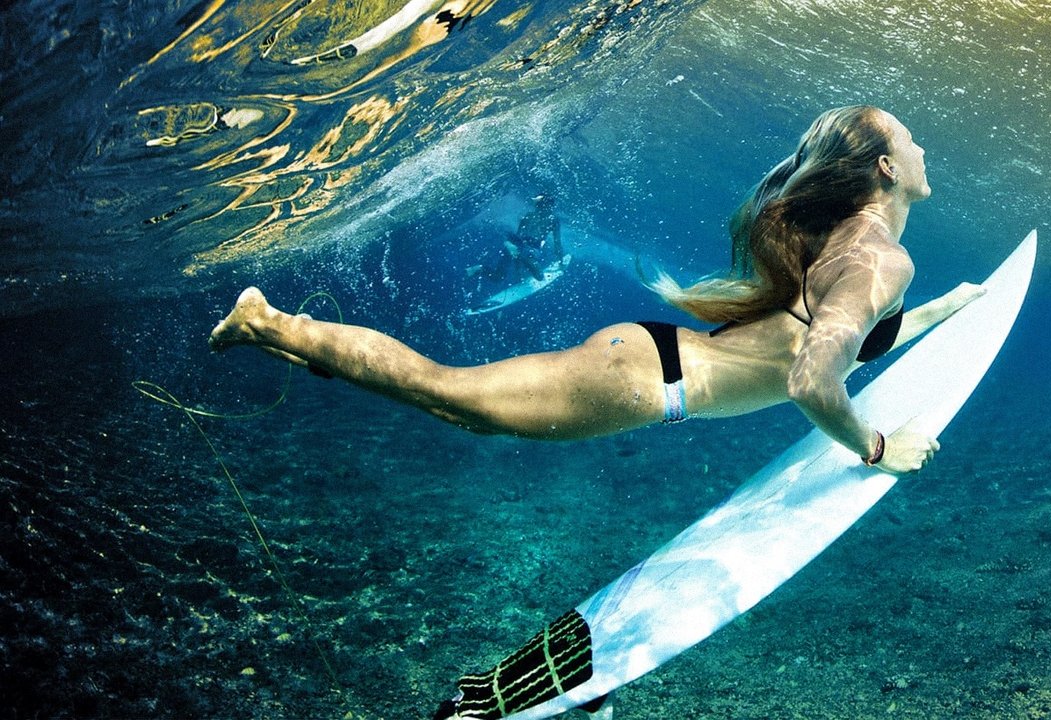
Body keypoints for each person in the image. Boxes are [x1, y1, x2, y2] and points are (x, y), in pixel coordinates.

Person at [210, 106, 983, 474]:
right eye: (911, 139)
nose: (923, 147)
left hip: (652, 362)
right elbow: (812, 378)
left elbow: (843, 336)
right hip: (649, 383)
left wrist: (952, 308)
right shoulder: (880, 259)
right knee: (447, 395)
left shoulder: (850, 246)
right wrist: (877, 449)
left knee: (459, 406)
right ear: (887, 168)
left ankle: (303, 342)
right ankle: (273, 324)